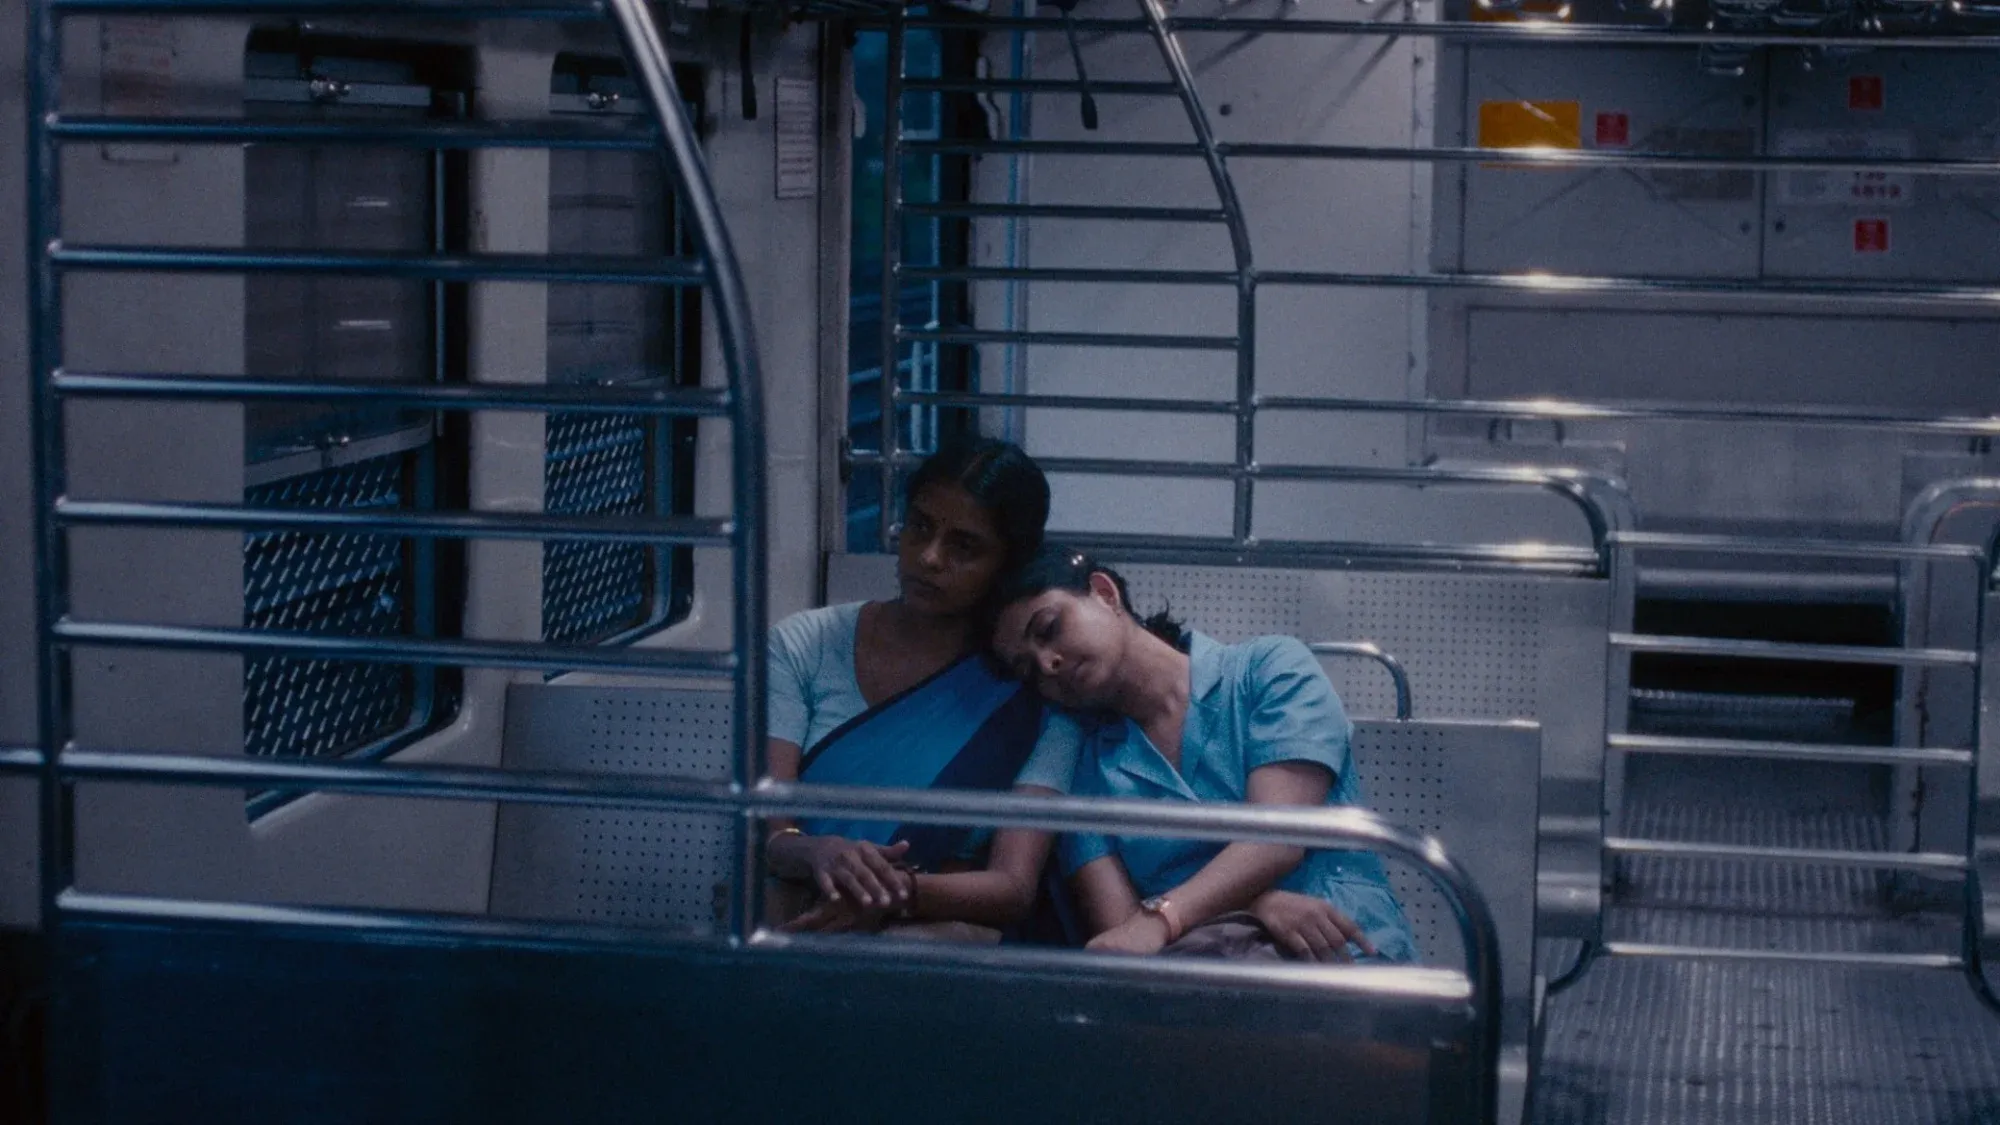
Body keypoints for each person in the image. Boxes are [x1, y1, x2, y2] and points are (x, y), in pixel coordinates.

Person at [987, 543, 1420, 963]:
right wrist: (1255, 908)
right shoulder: (1088, 770)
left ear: (1104, 593)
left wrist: (1163, 919)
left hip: (1347, 954)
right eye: (1028, 670)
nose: (1047, 664)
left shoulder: (1270, 671)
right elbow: (1123, 936)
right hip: (1202, 984)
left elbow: (1276, 840)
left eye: (1048, 629)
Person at [762, 436, 1078, 940]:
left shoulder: (1034, 689)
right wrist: (817, 851)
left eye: (964, 547)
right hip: (800, 899)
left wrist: (888, 892)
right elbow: (770, 829)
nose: (929, 558)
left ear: (1008, 564)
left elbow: (1013, 887)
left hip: (933, 927)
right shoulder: (805, 645)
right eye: (920, 527)